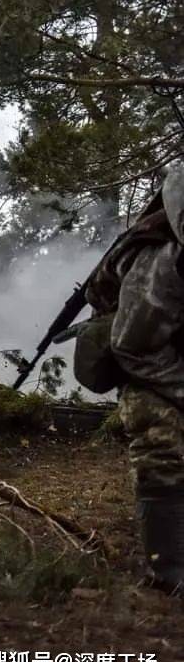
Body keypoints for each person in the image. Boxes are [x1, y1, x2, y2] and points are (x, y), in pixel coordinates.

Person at [91, 163, 184, 590]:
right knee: (162, 440)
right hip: (143, 353)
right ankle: (167, 568)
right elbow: (133, 345)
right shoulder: (160, 260)